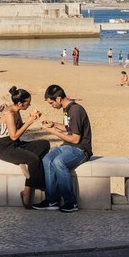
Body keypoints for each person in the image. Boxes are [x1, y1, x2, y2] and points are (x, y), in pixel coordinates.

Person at [32, 84, 93, 213]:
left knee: (58, 162)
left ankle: (71, 202)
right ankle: (52, 200)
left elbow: (75, 139)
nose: (51, 105)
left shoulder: (75, 111)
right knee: (47, 159)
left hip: (81, 150)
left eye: (51, 103)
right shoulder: (67, 109)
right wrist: (54, 124)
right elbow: (68, 128)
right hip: (67, 147)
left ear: (58, 99)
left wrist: (52, 131)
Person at [0, 86, 50, 209]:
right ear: (20, 103)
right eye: (28, 103)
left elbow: (18, 130)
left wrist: (32, 119)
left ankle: (24, 161)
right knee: (34, 160)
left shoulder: (16, 110)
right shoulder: (9, 113)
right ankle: (28, 191)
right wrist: (29, 122)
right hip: (5, 148)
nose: (29, 105)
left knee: (44, 144)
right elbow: (14, 136)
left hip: (16, 144)